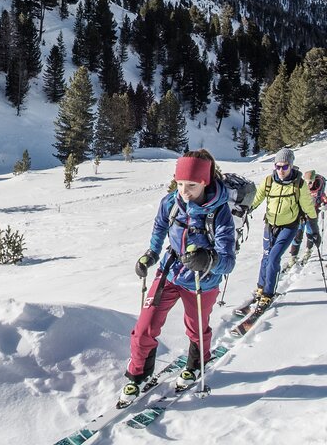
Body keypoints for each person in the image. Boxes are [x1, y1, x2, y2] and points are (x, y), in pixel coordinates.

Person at [119, 150, 236, 406]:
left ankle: (195, 364)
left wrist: (208, 261)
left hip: (202, 281)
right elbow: (160, 226)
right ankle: (136, 375)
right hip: (170, 271)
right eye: (180, 183)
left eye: (191, 185)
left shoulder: (220, 213)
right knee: (145, 326)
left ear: (205, 181)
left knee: (196, 328)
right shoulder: (170, 202)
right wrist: (150, 254)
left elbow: (228, 261)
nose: (184, 190)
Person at [250, 149, 320, 300]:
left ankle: (268, 293)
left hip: (289, 226)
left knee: (274, 257)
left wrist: (314, 228)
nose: (281, 170)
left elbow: (308, 207)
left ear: (291, 165)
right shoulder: (269, 181)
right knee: (267, 256)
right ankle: (261, 287)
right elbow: (256, 199)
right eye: (278, 166)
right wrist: (244, 210)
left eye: (285, 167)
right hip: (270, 225)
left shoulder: (299, 184)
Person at [285, 169, 326, 268]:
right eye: (306, 182)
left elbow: (324, 199)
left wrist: (324, 205)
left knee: (311, 233)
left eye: (310, 182)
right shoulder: (302, 188)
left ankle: (308, 250)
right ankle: (293, 256)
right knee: (298, 234)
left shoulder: (318, 188)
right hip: (301, 215)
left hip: (313, 214)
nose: (308, 185)